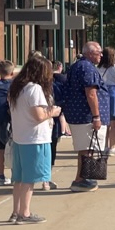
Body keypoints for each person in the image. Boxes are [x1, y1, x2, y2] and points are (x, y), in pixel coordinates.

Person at [6, 54, 60, 224]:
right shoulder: (35, 89)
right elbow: (38, 115)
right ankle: (25, 213)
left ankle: (16, 212)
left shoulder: (17, 87)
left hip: (20, 137)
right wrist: (54, 111)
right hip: (35, 139)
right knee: (30, 179)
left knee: (19, 178)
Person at [61, 42, 108, 192]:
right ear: (89, 53)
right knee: (87, 149)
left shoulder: (78, 66)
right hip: (86, 116)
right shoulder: (87, 68)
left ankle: (82, 178)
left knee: (85, 148)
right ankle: (81, 179)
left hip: (79, 114)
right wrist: (96, 116)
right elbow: (91, 93)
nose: (101, 55)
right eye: (98, 52)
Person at [44, 60, 67, 191]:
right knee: (51, 149)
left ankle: (19, 178)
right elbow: (63, 100)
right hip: (51, 120)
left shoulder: (27, 85)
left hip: (43, 122)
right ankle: (46, 179)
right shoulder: (58, 83)